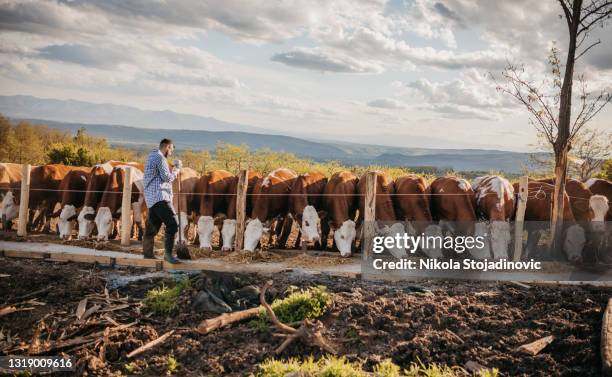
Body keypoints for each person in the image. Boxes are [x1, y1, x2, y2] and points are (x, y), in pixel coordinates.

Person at [142, 138, 183, 263]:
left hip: (151, 198)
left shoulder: (151, 156)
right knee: (173, 224)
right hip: (160, 197)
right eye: (171, 150)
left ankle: (148, 256)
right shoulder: (160, 158)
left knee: (152, 228)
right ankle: (168, 255)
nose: (170, 153)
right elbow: (167, 177)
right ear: (167, 147)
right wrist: (177, 168)